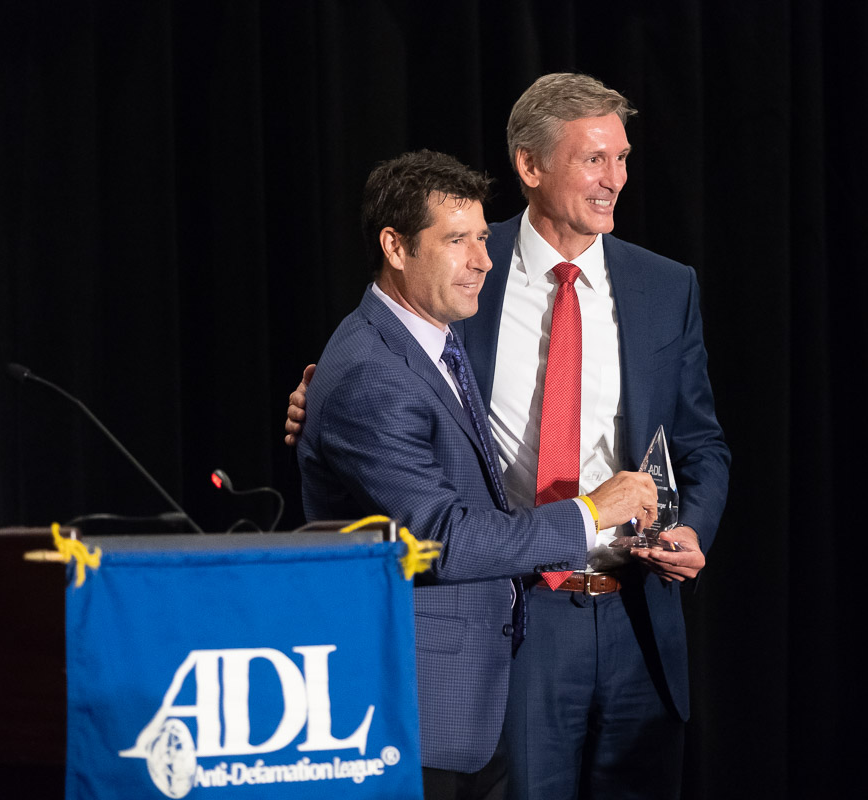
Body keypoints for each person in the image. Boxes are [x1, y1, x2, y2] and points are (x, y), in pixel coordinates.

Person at [290, 74, 731, 799]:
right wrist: (317, 402)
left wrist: (695, 529)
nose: (614, 180)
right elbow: (389, 377)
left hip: (637, 616)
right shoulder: (463, 267)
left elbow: (702, 442)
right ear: (530, 167)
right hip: (515, 615)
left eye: (622, 159)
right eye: (594, 160)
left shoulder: (664, 286)